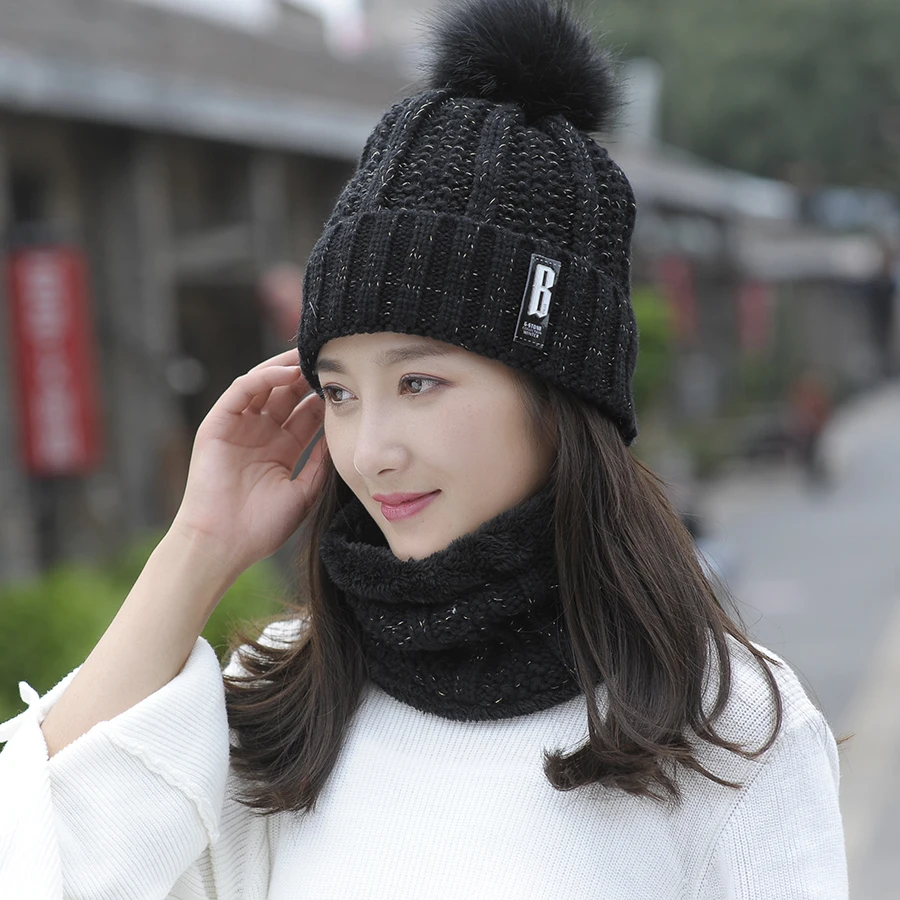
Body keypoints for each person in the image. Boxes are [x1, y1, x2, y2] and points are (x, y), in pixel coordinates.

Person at [0, 1, 847, 896]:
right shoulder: (281, 706)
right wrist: (199, 545)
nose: (370, 453)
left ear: (557, 392)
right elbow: (40, 863)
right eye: (338, 392)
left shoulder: (726, 730)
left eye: (419, 384)